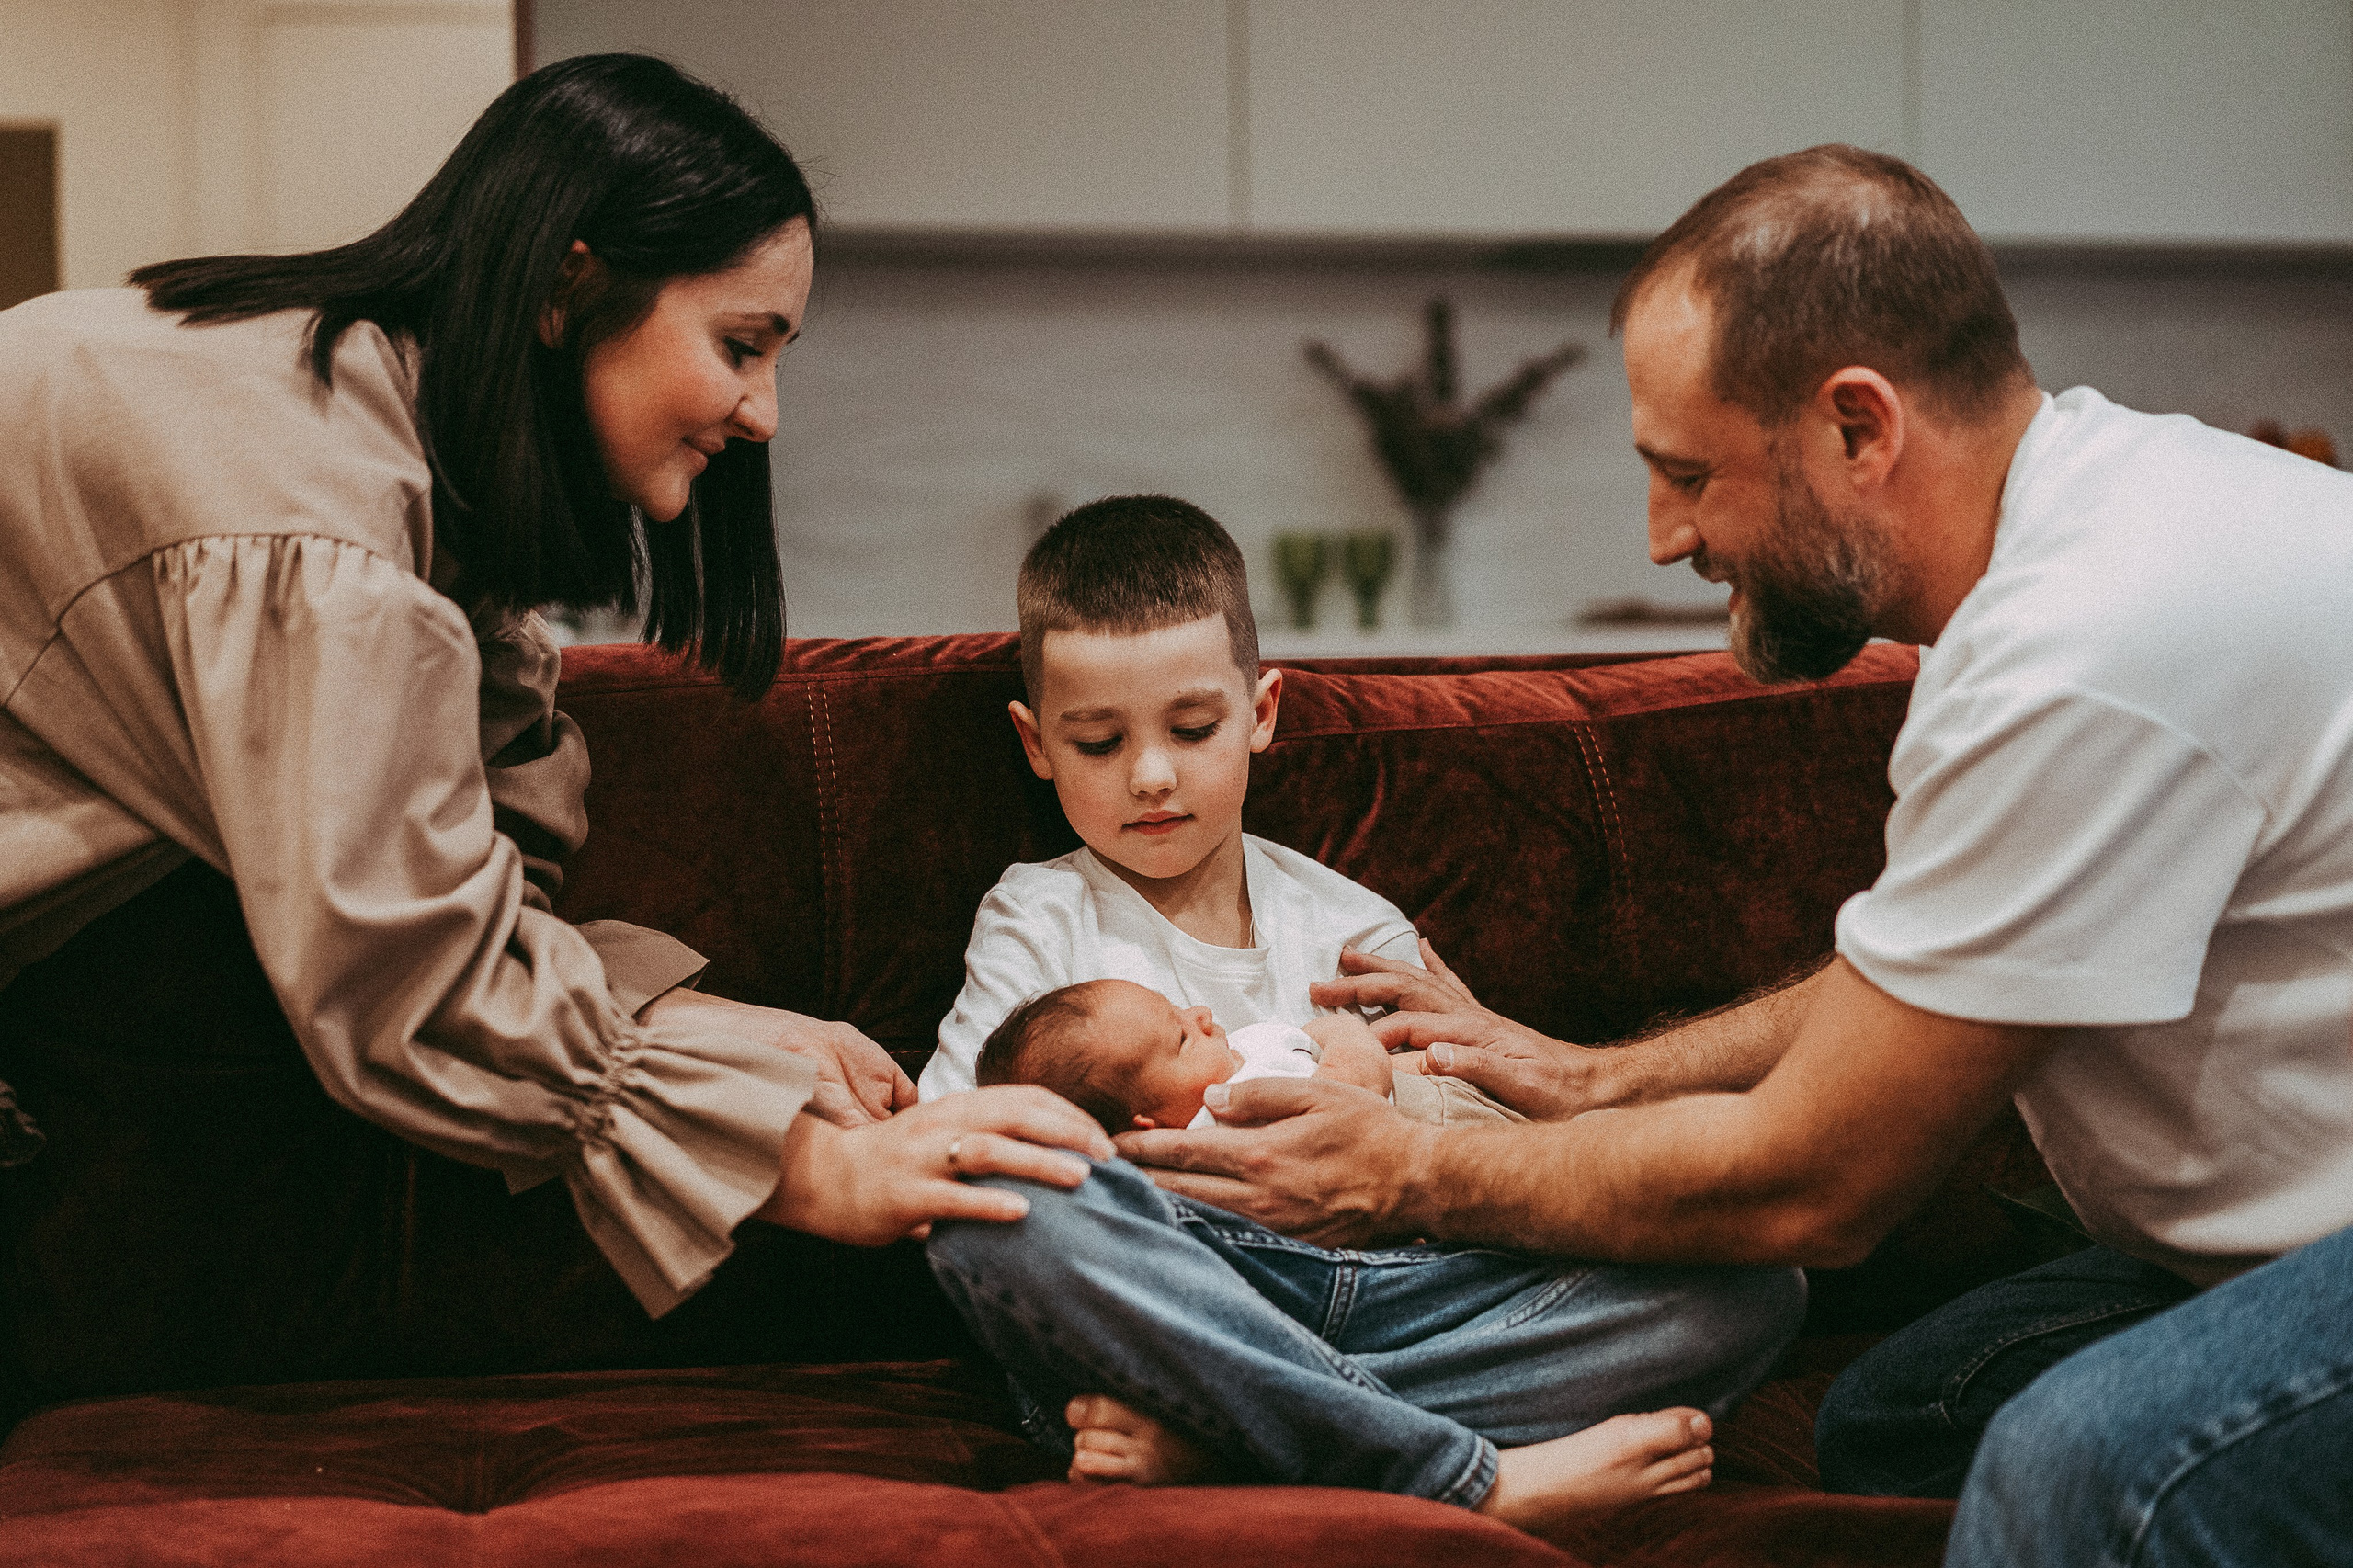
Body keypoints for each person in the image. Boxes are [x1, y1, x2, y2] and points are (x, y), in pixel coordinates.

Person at [1101, 145, 2353, 1567]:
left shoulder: (2086, 650)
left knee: (2080, 1470)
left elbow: (1811, 1181)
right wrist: (1592, 1077)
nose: (1665, 535)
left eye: (1689, 473)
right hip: (2282, 1248)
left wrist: (1397, 1170)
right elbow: (1934, 981)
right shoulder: (2087, 541)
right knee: (1903, 1415)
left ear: (1856, 430)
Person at [0, 53, 1109, 1404]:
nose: (764, 413)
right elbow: (403, 982)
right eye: (741, 345)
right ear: (572, 285)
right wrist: (812, 1166)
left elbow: (438, 895)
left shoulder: (407, 472)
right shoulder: (316, 520)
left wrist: (697, 1025)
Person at [920, 496, 1803, 1539]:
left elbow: (1488, 1151)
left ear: (1262, 711)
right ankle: (1462, 1474)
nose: (1151, 773)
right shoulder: (1040, 913)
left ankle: (1236, 1433)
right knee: (1005, 1212)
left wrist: (1386, 1101)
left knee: (1755, 1279)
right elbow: (961, 1144)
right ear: (1036, 742)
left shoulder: (1353, 924)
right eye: (1099, 740)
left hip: (1395, 1281)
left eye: (1193, 728)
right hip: (1191, 1284)